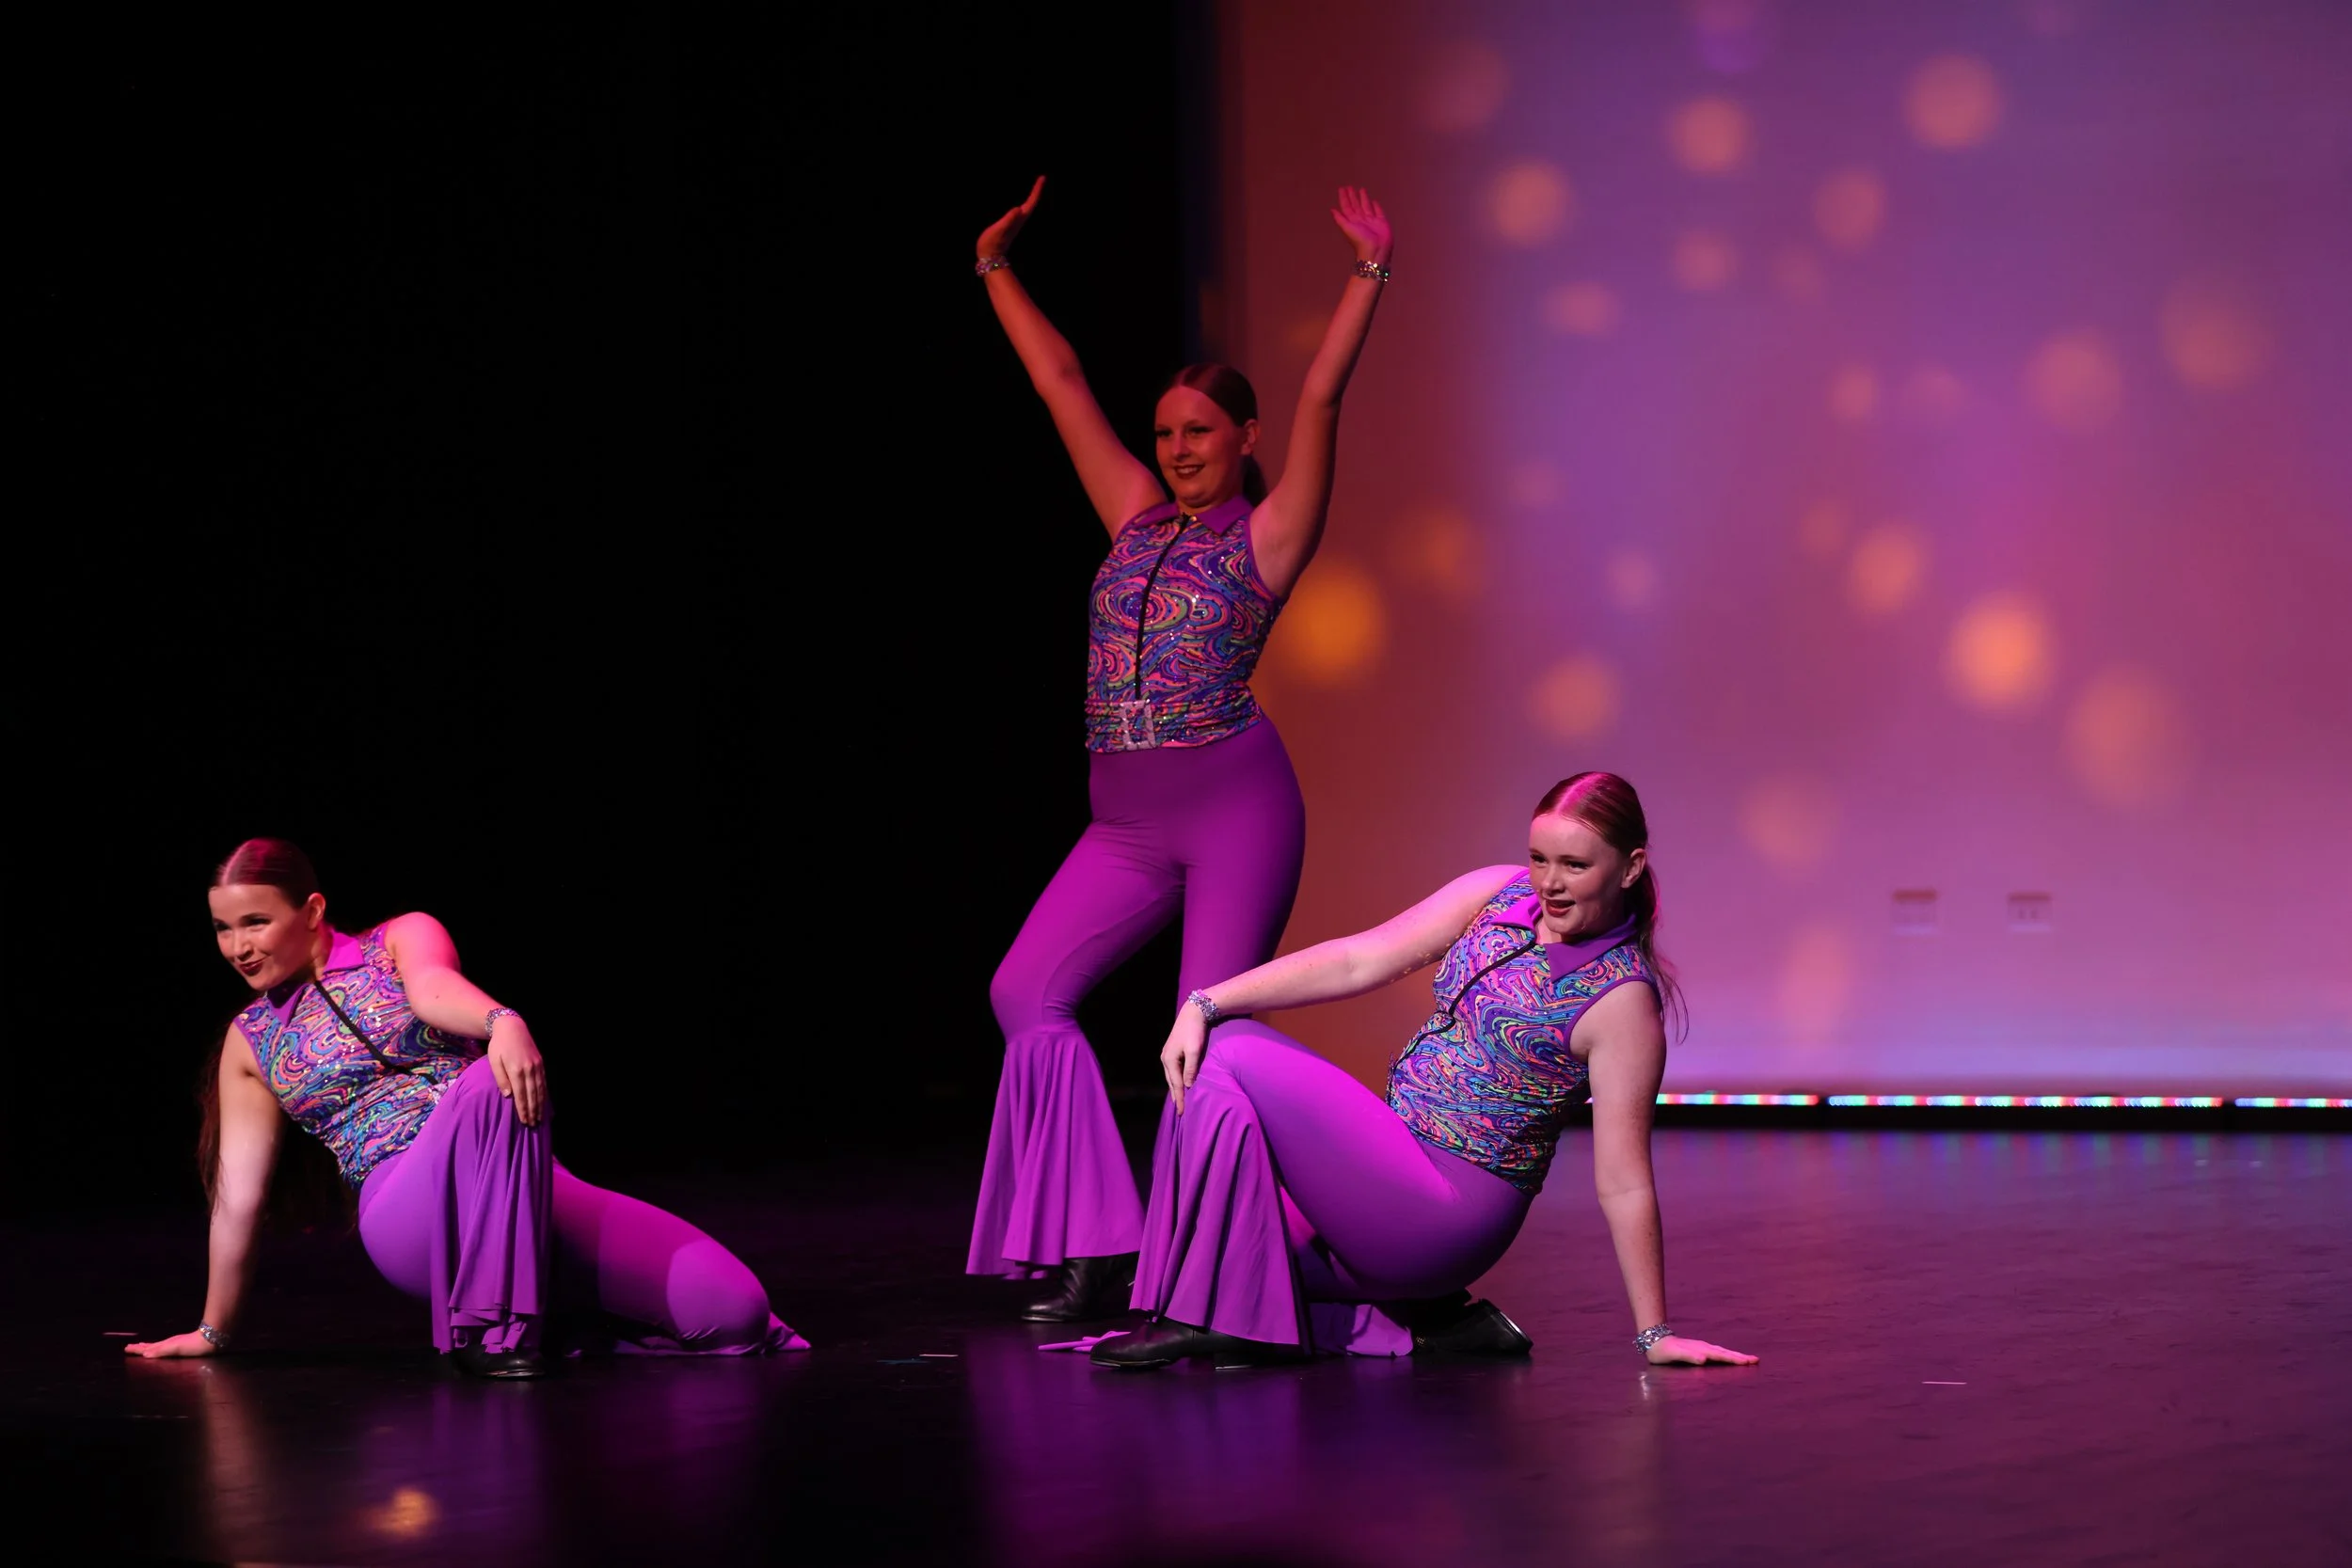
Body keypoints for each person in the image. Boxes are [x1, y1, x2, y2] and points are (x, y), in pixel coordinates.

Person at [966, 178, 1396, 1321]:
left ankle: (1211, 1279)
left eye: (1197, 431)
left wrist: (1368, 271)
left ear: (1243, 438)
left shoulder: (1271, 533)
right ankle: (1093, 1240)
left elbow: (1323, 393)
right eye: (1163, 433)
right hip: (1125, 821)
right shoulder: (1132, 513)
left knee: (1205, 1038)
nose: (1175, 449)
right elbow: (1060, 382)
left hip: (1236, 807)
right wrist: (995, 268)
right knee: (1025, 991)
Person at [1094, 773, 1758, 1370]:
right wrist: (1205, 999)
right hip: (1388, 1163)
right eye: (1540, 858)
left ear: (1630, 867)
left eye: (1575, 865)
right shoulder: (1499, 892)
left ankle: (1213, 1320)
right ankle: (1429, 1322)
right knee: (1226, 1245)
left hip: (1446, 1211)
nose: (1549, 883)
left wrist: (1654, 1334)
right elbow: (1361, 959)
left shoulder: (1622, 1003)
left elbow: (1624, 1181)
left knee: (1229, 1050)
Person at [126, 839, 803, 1378]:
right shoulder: (250, 1041)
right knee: (484, 1085)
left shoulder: (401, 937)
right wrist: (213, 1331)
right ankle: (488, 1330)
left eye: (255, 922)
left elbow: (431, 989)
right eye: (223, 928)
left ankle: (562, 1327)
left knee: (737, 1316)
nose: (238, 947)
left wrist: (501, 1019)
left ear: (311, 910)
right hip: (411, 1211)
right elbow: (237, 1203)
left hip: (523, 1184)